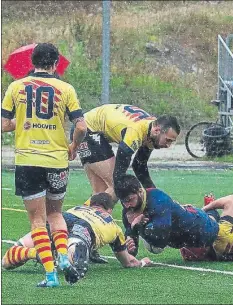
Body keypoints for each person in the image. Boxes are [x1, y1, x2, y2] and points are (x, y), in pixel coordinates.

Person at [1, 43, 87, 287]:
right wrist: (73, 146)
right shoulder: (66, 88)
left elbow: (3, 124)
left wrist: (26, 121)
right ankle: (62, 255)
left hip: (28, 161)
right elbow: (81, 127)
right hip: (57, 159)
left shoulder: (16, 87)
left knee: (37, 221)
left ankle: (50, 275)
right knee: (55, 213)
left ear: (32, 62)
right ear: (56, 64)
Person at [2, 193, 152, 274]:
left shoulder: (79, 207)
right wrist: (142, 262)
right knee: (73, 251)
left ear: (91, 204)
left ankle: (36, 253)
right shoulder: (113, 225)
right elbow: (128, 262)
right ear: (110, 210)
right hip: (87, 227)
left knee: (6, 262)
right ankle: (72, 253)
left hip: (64, 218)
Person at [71, 104, 180, 203]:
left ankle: (84, 219)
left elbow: (139, 167)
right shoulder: (136, 131)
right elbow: (119, 177)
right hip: (85, 130)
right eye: (168, 140)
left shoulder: (153, 131)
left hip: (85, 127)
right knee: (117, 186)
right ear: (157, 131)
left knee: (100, 192)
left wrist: (157, 197)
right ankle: (86, 219)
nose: (168, 146)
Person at [113, 174, 220, 256]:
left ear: (140, 191)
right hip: (186, 238)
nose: (127, 205)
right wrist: (130, 247)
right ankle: (210, 208)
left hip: (205, 230)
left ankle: (211, 208)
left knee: (226, 237)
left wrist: (137, 226)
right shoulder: (128, 210)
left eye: (130, 200)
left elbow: (160, 241)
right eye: (123, 202)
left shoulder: (158, 199)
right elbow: (132, 251)